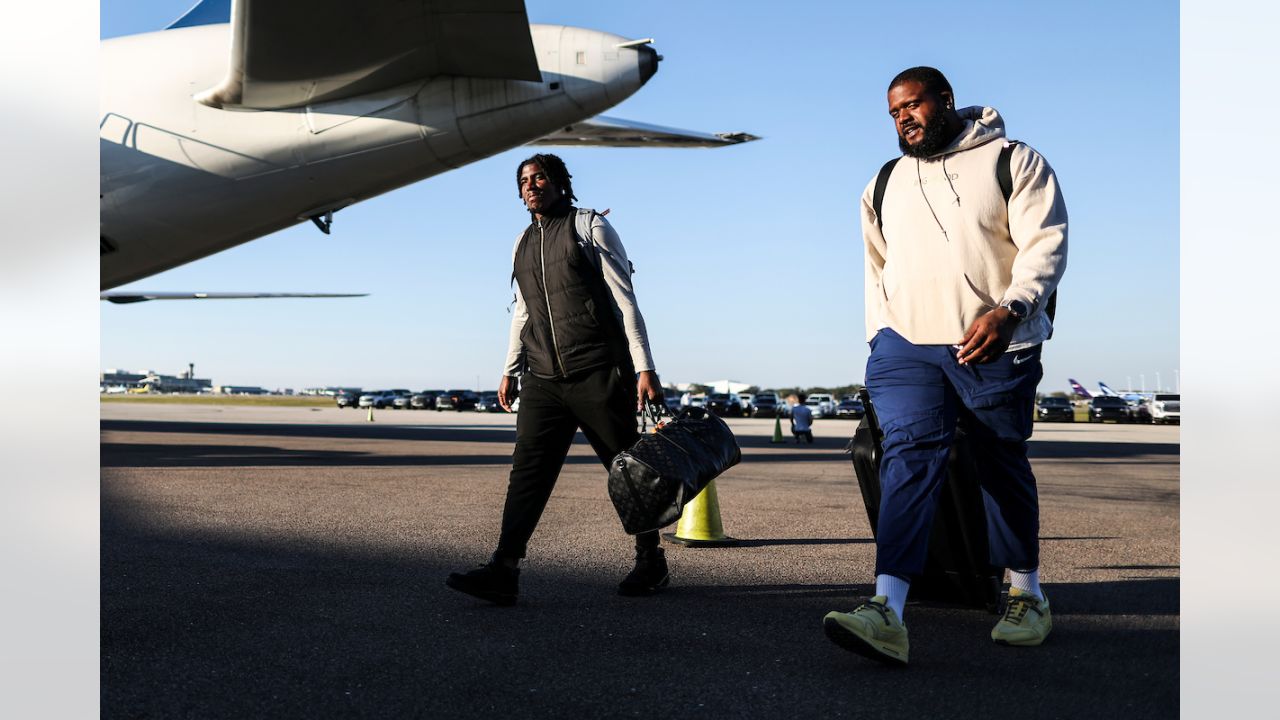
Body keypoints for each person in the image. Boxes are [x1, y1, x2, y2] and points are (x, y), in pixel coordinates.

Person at [823, 67, 1067, 664]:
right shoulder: (885, 182)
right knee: (905, 460)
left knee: (998, 465)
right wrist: (880, 336)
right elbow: (876, 267)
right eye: (893, 112)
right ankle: (887, 609)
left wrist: (1010, 311)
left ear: (946, 101)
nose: (903, 118)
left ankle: (1025, 592)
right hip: (907, 347)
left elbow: (1046, 244)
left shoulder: (1014, 161)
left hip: (994, 343)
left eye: (913, 105)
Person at [445, 153, 668, 606]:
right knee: (527, 474)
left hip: (598, 371)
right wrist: (509, 368)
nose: (531, 186)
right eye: (524, 181)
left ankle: (651, 559)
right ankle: (504, 570)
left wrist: (645, 366)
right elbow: (522, 310)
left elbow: (625, 299)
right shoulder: (522, 242)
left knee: (625, 470)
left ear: (561, 182)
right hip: (543, 378)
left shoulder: (590, 227)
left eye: (540, 177)